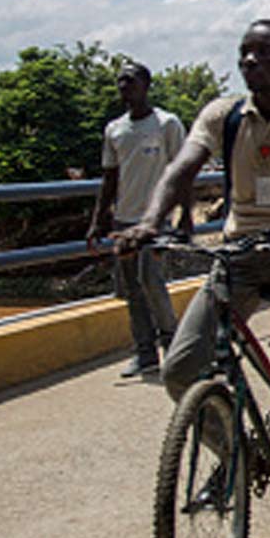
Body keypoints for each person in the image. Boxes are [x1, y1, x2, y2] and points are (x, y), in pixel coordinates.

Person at [116, 20, 270, 478]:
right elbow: (181, 168)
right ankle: (236, 456)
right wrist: (149, 224)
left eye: (266, 52)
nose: (251, 60)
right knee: (181, 370)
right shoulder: (221, 114)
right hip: (239, 252)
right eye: (245, 52)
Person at [88, 62, 189, 378]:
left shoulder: (167, 124)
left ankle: (172, 349)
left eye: (129, 81)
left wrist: (185, 214)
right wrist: (98, 220)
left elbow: (183, 171)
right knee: (131, 290)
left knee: (152, 282)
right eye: (119, 81)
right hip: (124, 221)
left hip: (155, 221)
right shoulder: (115, 129)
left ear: (146, 85)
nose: (123, 87)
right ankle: (145, 354)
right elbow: (109, 178)